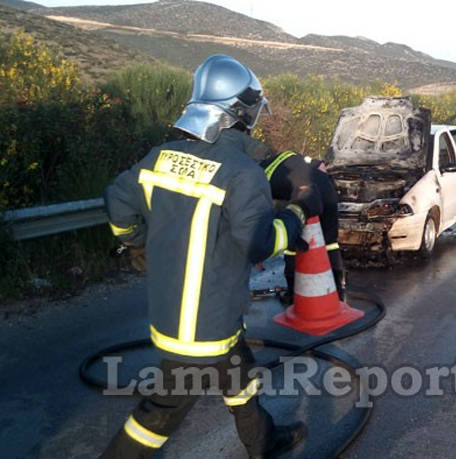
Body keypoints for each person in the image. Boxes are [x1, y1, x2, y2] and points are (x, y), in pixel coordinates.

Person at [101, 54, 314, 458]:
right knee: (160, 414)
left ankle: (264, 441)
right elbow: (258, 243)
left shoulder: (159, 157)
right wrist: (295, 216)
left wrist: (134, 242)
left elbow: (117, 200)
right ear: (241, 112)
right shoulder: (242, 172)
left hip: (183, 314)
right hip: (202, 328)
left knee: (240, 377)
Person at [253, 149, 345, 305]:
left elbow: (260, 218)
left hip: (304, 193)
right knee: (330, 243)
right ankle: (338, 295)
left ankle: (293, 295)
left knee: (291, 243)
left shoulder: (256, 178)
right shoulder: (287, 159)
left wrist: (258, 252)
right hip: (326, 189)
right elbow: (318, 165)